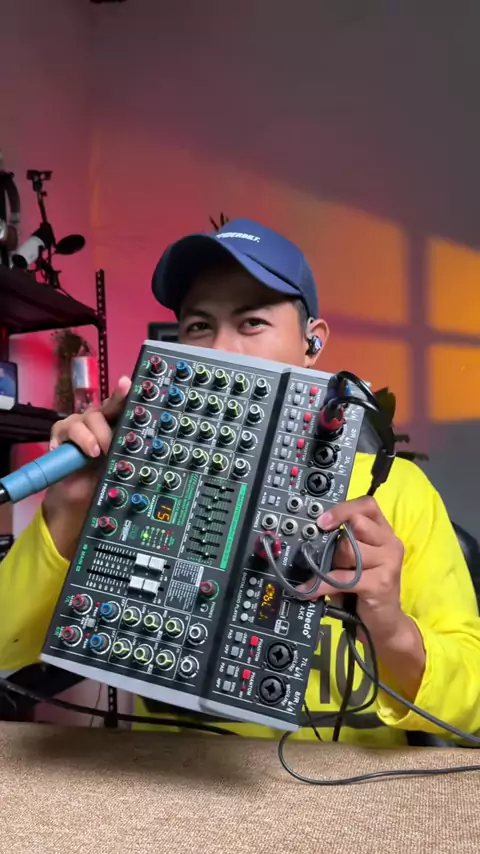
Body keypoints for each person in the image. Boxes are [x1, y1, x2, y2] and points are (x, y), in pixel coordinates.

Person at [1, 217, 479, 747]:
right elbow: (4, 648)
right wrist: (67, 509)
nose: (221, 350)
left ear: (312, 343)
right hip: (171, 779)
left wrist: (389, 626)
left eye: (252, 322)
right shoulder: (130, 480)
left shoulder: (399, 490)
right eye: (199, 326)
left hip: (345, 788)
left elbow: (471, 707)